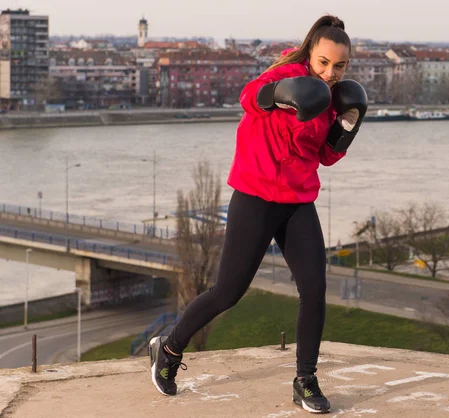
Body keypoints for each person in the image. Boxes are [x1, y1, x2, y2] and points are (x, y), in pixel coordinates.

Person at [149, 14, 368, 414]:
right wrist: (282, 92)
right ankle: (167, 349)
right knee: (228, 292)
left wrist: (347, 126)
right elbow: (249, 98)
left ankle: (305, 380)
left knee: (315, 288)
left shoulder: (332, 97)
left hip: (298, 200)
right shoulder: (288, 72)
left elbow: (324, 156)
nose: (330, 73)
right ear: (311, 53)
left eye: (340, 66)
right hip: (256, 196)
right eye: (323, 63)